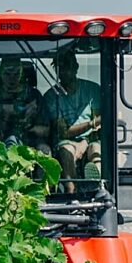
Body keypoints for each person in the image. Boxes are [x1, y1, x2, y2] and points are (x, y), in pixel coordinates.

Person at [42, 49, 102, 192]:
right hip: (65, 141)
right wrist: (91, 124)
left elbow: (99, 122)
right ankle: (72, 194)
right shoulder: (51, 96)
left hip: (90, 140)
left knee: (96, 149)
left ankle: (97, 186)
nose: (64, 71)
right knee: (66, 151)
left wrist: (85, 142)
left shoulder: (92, 90)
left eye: (67, 66)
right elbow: (63, 132)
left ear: (76, 67)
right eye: (60, 67)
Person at [0, 57, 50, 153]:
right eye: (7, 74)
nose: (12, 78)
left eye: (16, 74)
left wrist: (27, 127)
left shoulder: (34, 96)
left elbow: (46, 130)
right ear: (0, 74)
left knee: (45, 151)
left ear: (22, 74)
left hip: (29, 145)